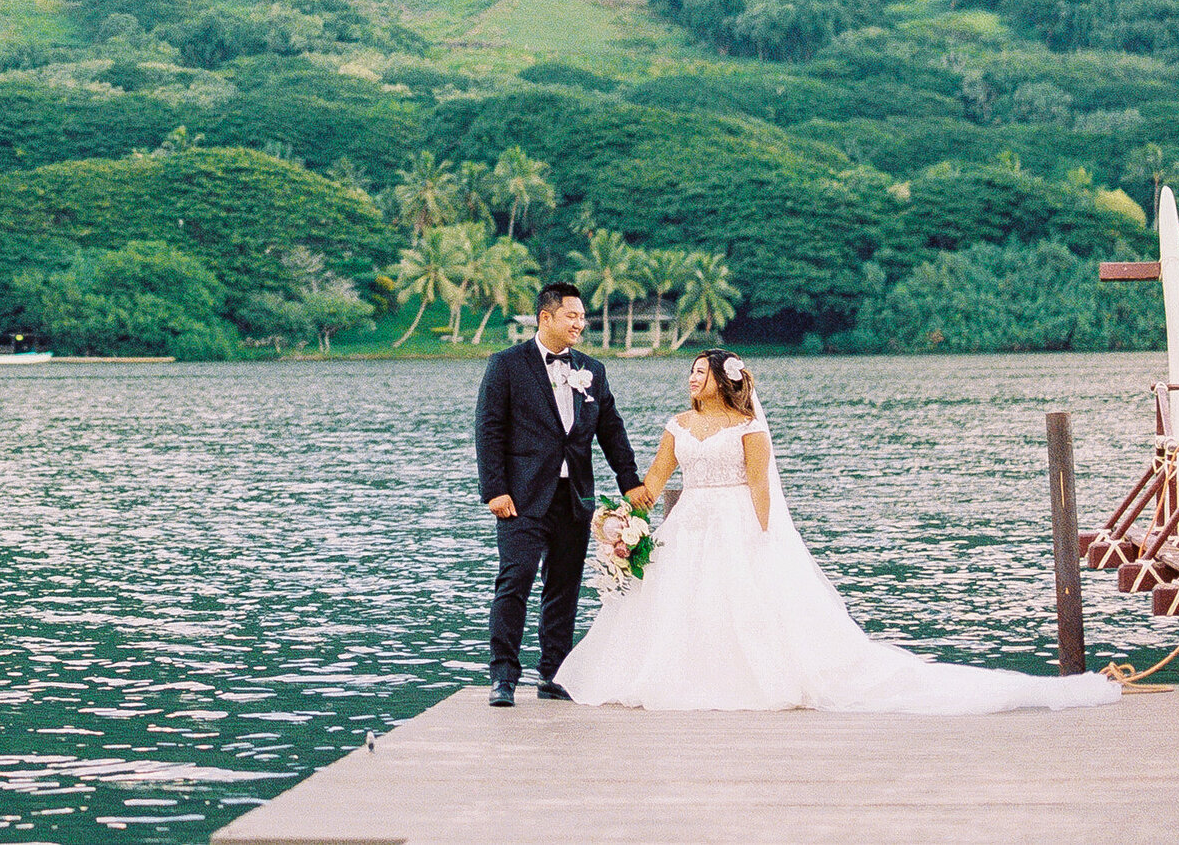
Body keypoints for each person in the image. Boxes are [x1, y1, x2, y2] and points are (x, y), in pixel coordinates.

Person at [556, 349, 1120, 712]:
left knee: (741, 605)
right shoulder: (676, 425)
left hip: (736, 525)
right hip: (689, 527)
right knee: (683, 605)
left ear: (724, 383)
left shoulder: (750, 427)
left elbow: (761, 490)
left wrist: (762, 538)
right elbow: (653, 485)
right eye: (692, 371)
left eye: (701, 371)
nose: (692, 377)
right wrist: (621, 517)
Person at [473, 281, 645, 706]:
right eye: (572, 316)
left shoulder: (592, 369)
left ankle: (553, 674)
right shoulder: (507, 365)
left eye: (583, 317)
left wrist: (630, 481)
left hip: (575, 497)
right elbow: (488, 429)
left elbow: (610, 429)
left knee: (564, 586)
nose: (580, 324)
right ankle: (503, 677)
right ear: (545, 317)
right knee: (515, 581)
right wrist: (494, 489)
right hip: (521, 496)